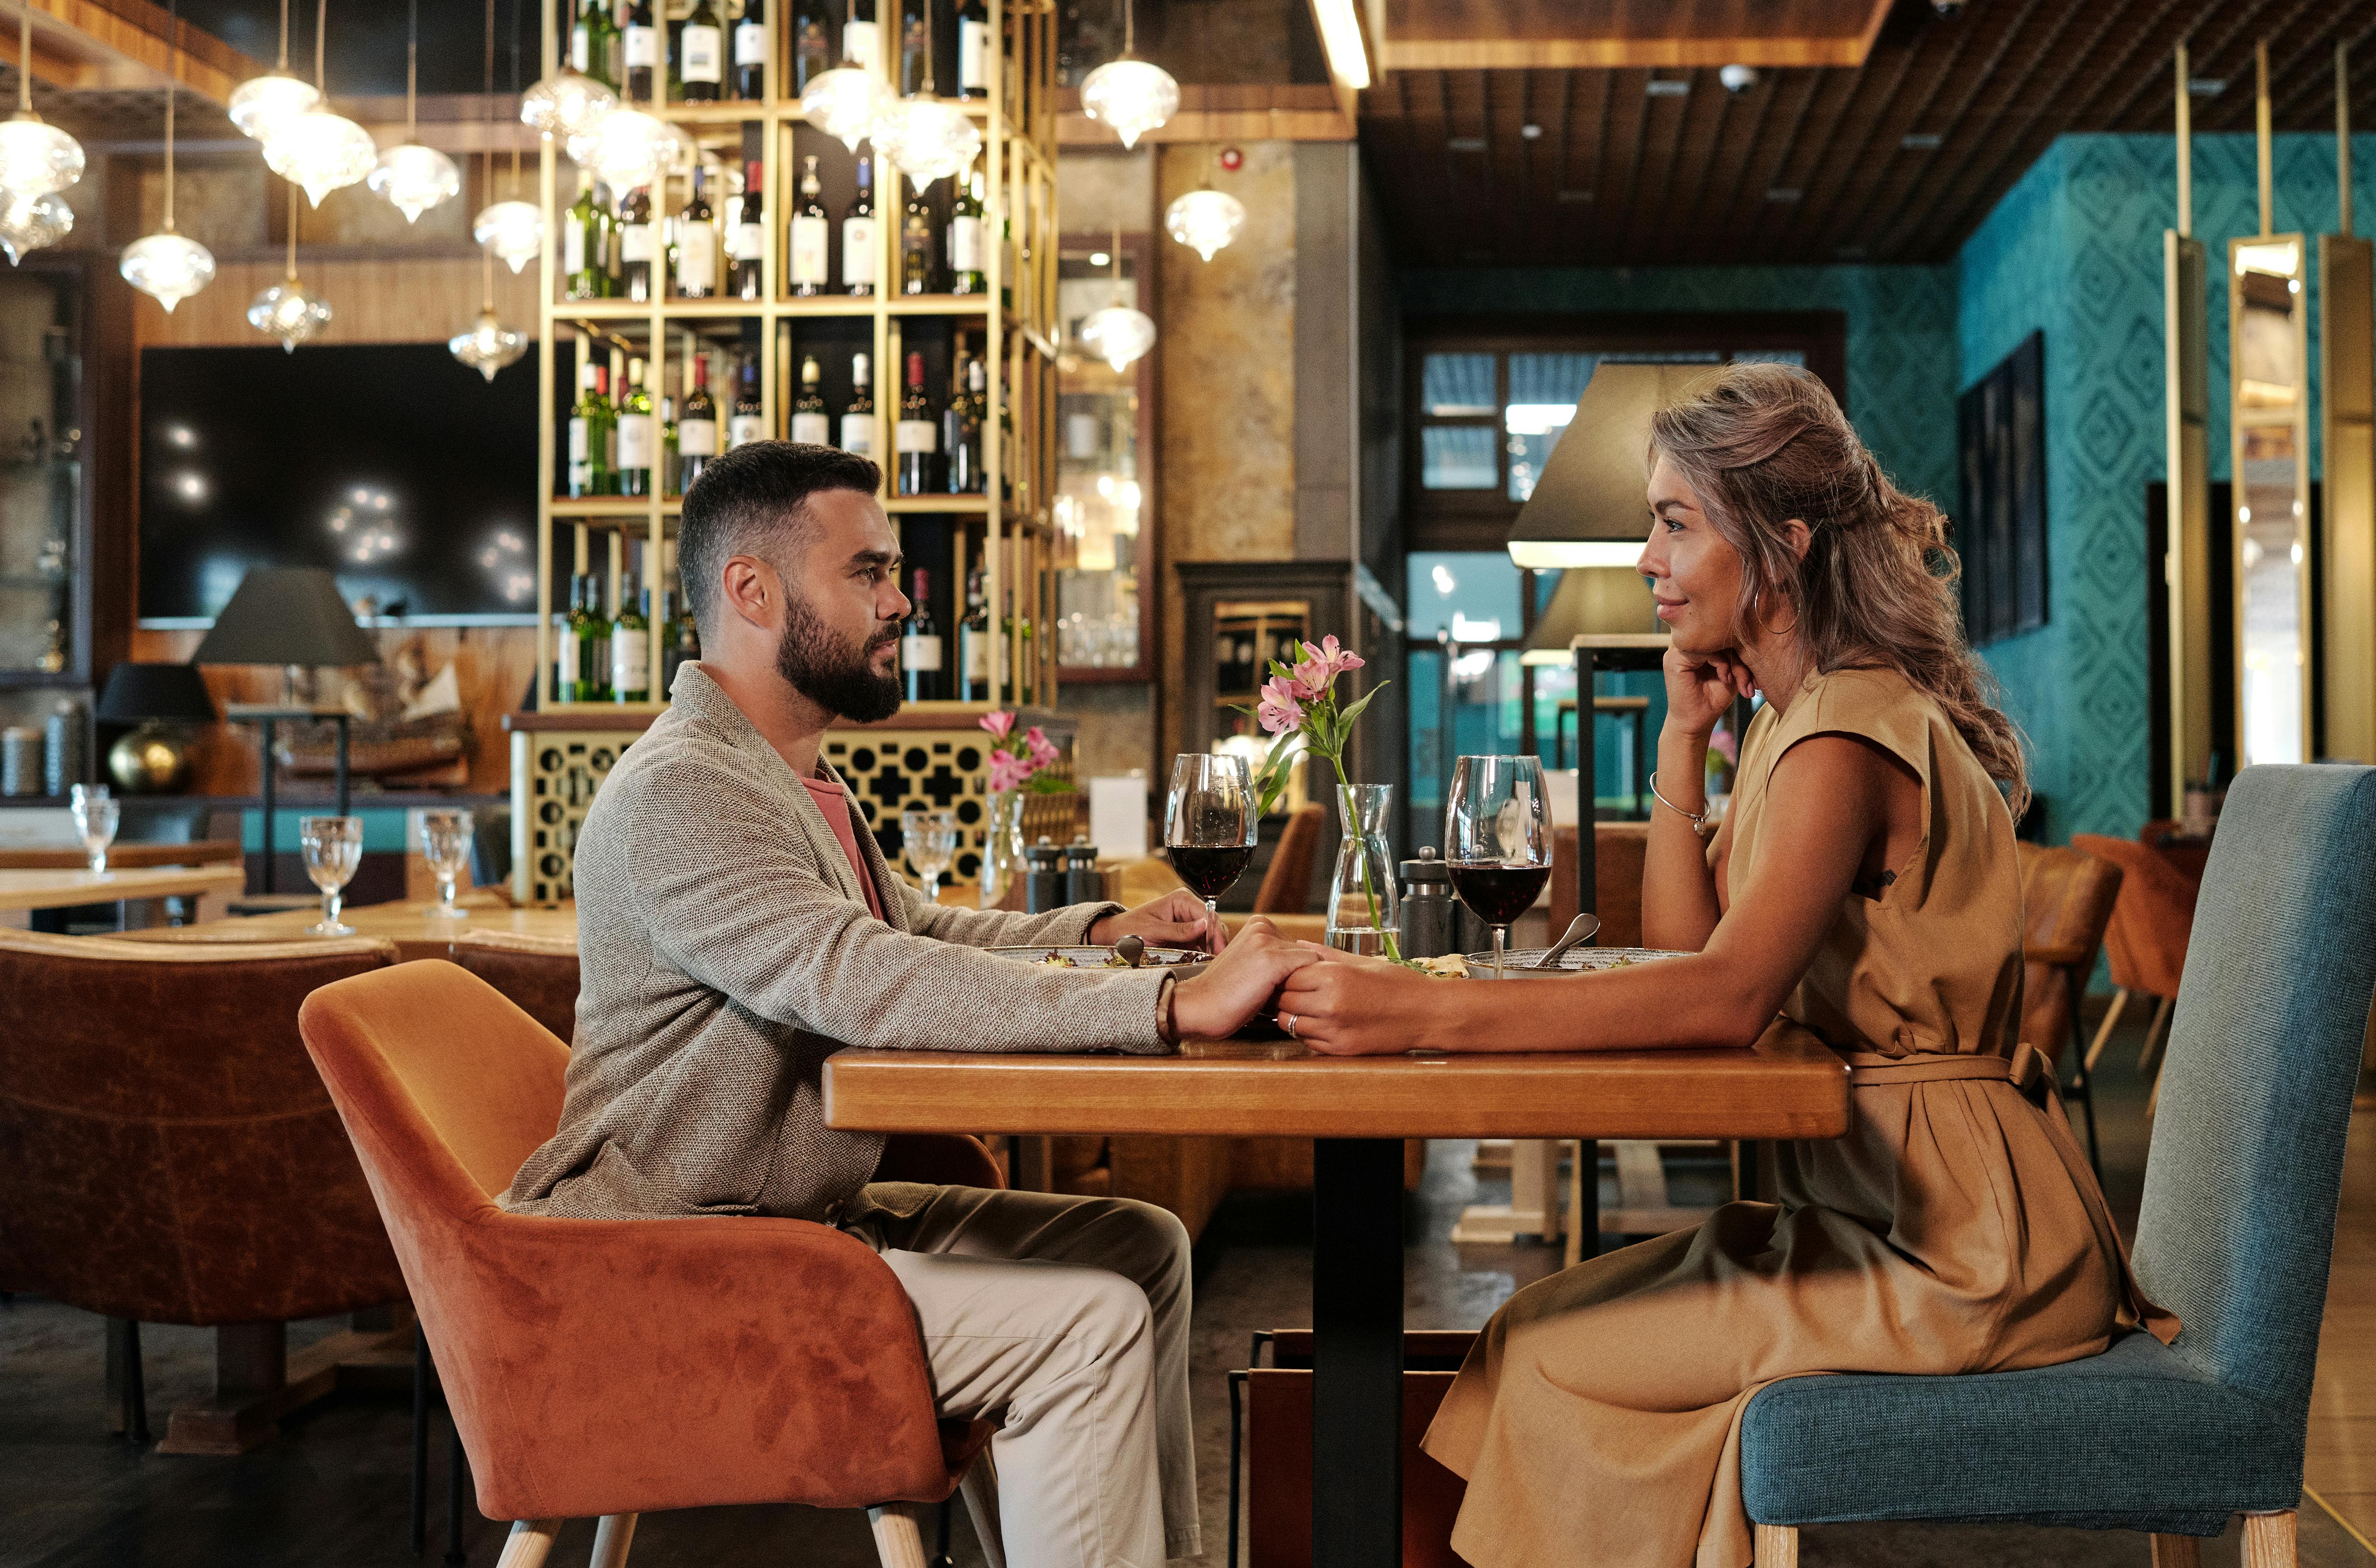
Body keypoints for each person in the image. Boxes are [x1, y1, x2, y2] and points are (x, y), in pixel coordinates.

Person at [1272, 366, 2174, 1568]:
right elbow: (1691, 954)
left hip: (1963, 1248)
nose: (1646, 554)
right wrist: (1686, 742)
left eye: (1675, 522)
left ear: (1783, 545)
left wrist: (1416, 1008)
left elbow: (1721, 998)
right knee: (1522, 1333)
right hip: (1870, 1208)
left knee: (1549, 1359)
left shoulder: (1849, 733)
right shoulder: (1800, 724)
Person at [504, 442, 1321, 1568]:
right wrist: (1170, 1011)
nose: (902, 604)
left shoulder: (793, 775)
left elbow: (916, 937)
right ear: (753, 588)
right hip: (677, 1261)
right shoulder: (684, 785)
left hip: (793, 1226)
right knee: (1089, 1327)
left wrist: (1101, 936)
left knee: (1140, 1244)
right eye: (871, 572)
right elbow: (862, 976)